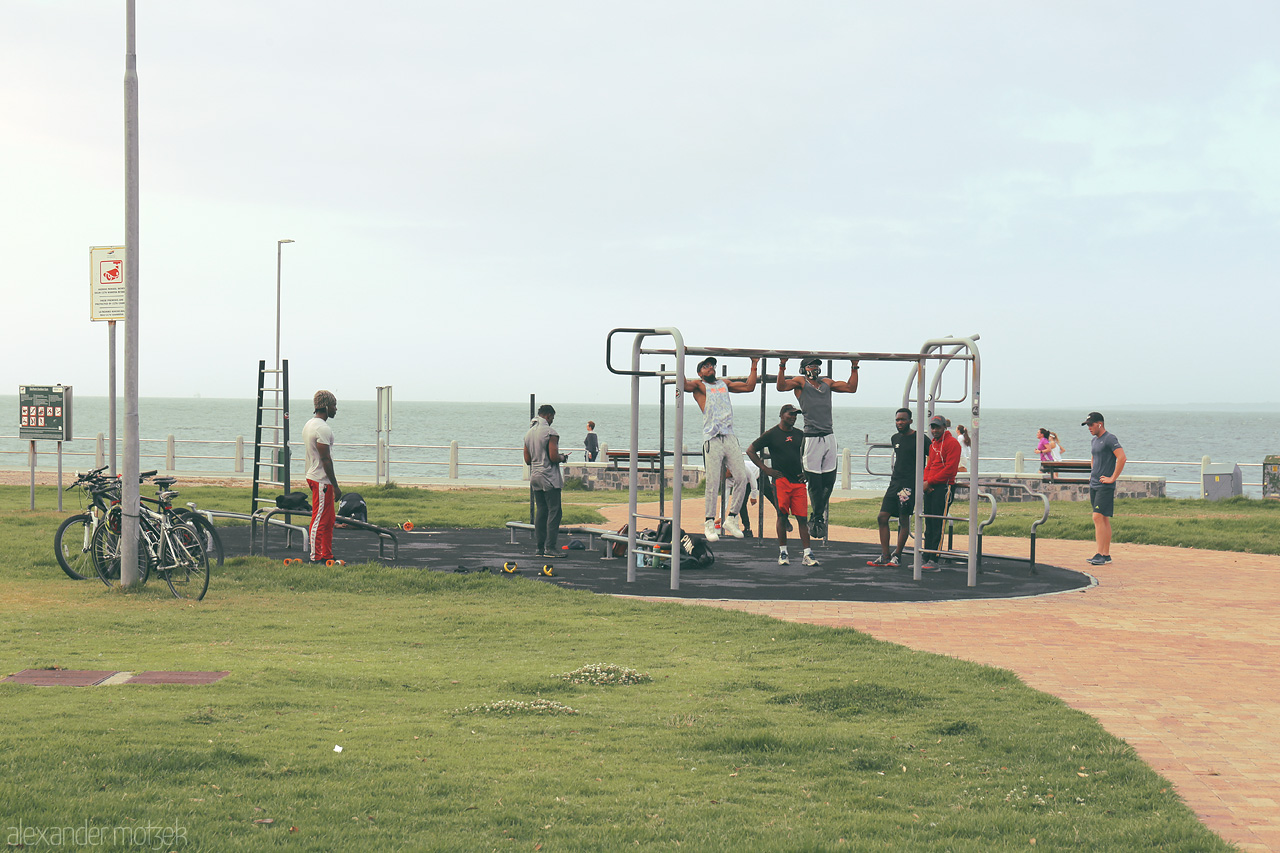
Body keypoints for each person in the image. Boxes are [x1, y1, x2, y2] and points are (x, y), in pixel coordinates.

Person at [775, 356, 860, 538]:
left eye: (817, 365)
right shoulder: (801, 382)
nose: (815, 368)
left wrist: (854, 366)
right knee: (814, 482)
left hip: (828, 435)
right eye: (812, 365)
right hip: (812, 437)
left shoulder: (826, 383)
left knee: (828, 481)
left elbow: (851, 388)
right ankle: (817, 516)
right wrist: (782, 365)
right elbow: (781, 386)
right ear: (804, 368)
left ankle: (817, 514)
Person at [684, 355, 758, 542]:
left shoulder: (724, 383)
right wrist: (680, 356)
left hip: (729, 436)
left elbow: (749, 386)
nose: (711, 368)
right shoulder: (699, 386)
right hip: (712, 438)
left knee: (741, 477)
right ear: (700, 372)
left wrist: (754, 364)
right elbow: (682, 384)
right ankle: (709, 523)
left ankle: (731, 519)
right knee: (713, 482)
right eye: (706, 366)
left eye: (712, 365)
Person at [747, 404, 819, 567]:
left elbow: (811, 454)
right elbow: (751, 450)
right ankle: (783, 552)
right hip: (781, 482)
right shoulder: (772, 434)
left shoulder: (801, 435)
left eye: (795, 415)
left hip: (798, 483)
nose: (793, 417)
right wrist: (766, 469)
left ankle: (807, 554)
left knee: (802, 518)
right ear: (781, 415)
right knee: (782, 516)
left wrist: (807, 472)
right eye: (790, 414)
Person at [868, 408, 929, 568]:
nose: (900, 422)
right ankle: (885, 555)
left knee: (903, 519)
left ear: (910, 421)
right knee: (882, 517)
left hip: (908, 485)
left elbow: (933, 457)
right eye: (897, 420)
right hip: (894, 483)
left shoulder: (920, 438)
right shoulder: (895, 438)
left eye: (903, 419)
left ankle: (898, 555)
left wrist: (927, 479)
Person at [524, 404, 568, 559]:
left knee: (541, 511)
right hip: (549, 476)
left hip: (535, 476)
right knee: (555, 511)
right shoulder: (550, 433)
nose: (552, 421)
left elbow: (527, 459)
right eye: (552, 418)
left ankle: (540, 547)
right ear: (548, 416)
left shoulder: (528, 434)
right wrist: (563, 457)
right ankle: (551, 547)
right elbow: (553, 456)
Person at [302, 389, 341, 564]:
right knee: (319, 519)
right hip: (321, 479)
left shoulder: (309, 424)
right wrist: (336, 485)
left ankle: (327, 554)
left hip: (315, 475)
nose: (336, 409)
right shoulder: (322, 428)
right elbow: (325, 458)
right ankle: (315, 556)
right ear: (326, 406)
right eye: (334, 405)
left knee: (329, 519)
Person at [1083, 412, 1126, 567]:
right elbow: (1094, 457)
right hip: (1094, 484)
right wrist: (1092, 473)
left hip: (1105, 486)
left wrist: (1112, 478)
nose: (1089, 428)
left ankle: (1100, 554)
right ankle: (1105, 554)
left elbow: (1122, 458)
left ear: (1099, 424)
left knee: (1097, 517)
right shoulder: (1094, 441)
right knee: (1103, 518)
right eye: (1087, 425)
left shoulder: (1110, 438)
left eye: (1091, 424)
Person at [921, 415, 961, 571]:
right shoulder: (932, 445)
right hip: (931, 486)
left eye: (937, 427)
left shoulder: (952, 444)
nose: (934, 430)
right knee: (928, 522)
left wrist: (930, 482)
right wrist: (926, 482)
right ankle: (925, 554)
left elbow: (950, 469)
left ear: (944, 427)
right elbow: (929, 465)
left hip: (944, 487)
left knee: (938, 522)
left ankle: (934, 557)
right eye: (932, 427)